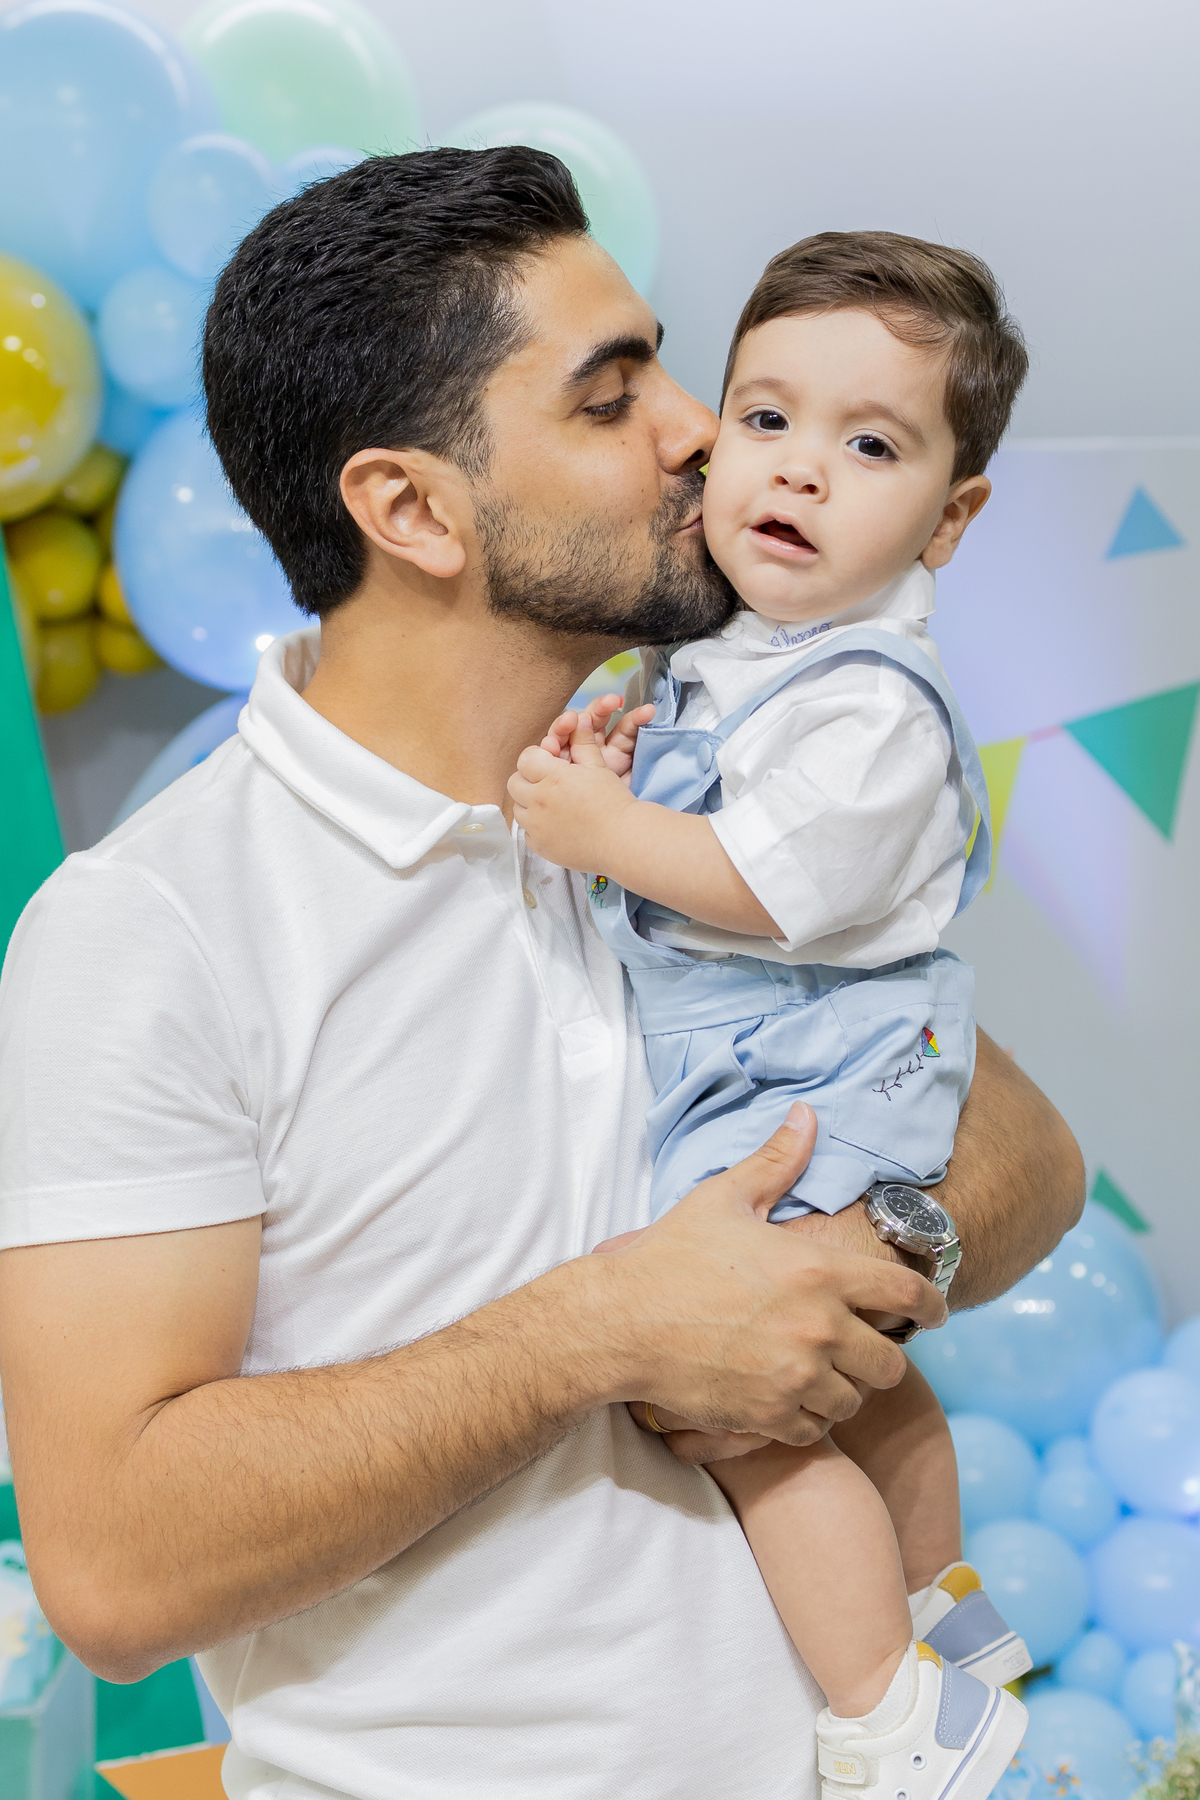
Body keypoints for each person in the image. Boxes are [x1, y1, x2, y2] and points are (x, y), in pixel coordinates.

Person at [0, 151, 1083, 1800]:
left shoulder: (683, 777)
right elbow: (116, 1573)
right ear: (412, 510)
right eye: (610, 397)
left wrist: (857, 1248)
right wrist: (604, 1334)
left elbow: (1032, 1161)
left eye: (668, 367)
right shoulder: (154, 930)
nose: (702, 433)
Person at [510, 231, 1035, 1800]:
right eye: (766, 418)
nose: (799, 469)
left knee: (730, 1402)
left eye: (869, 447)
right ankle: (952, 1621)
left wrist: (602, 832)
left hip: (812, 1076)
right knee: (864, 1379)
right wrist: (621, 759)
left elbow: (762, 881)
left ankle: (892, 1708)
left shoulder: (872, 698)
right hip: (783, 1067)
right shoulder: (735, 653)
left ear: (950, 519)